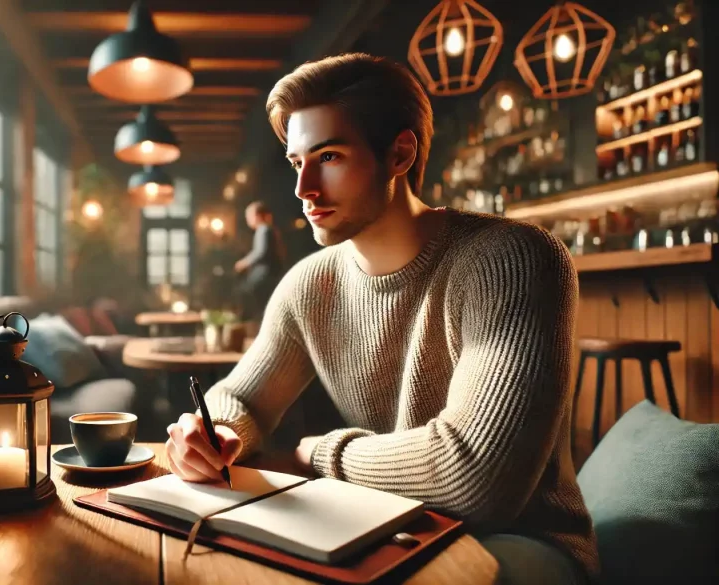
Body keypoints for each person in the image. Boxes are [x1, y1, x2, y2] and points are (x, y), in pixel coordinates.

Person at [164, 53, 597, 585]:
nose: (303, 190)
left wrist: (318, 453)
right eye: (297, 162)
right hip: (379, 523)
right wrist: (212, 431)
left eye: (328, 157)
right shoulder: (309, 283)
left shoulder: (514, 259)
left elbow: (477, 476)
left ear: (399, 152)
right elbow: (245, 397)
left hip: (518, 541)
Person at [233, 201, 284, 323]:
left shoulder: (264, 229)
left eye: (249, 216)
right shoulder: (268, 230)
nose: (248, 220)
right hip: (272, 272)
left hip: (266, 273)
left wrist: (244, 263)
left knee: (246, 291)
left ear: (258, 215)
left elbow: (261, 252)